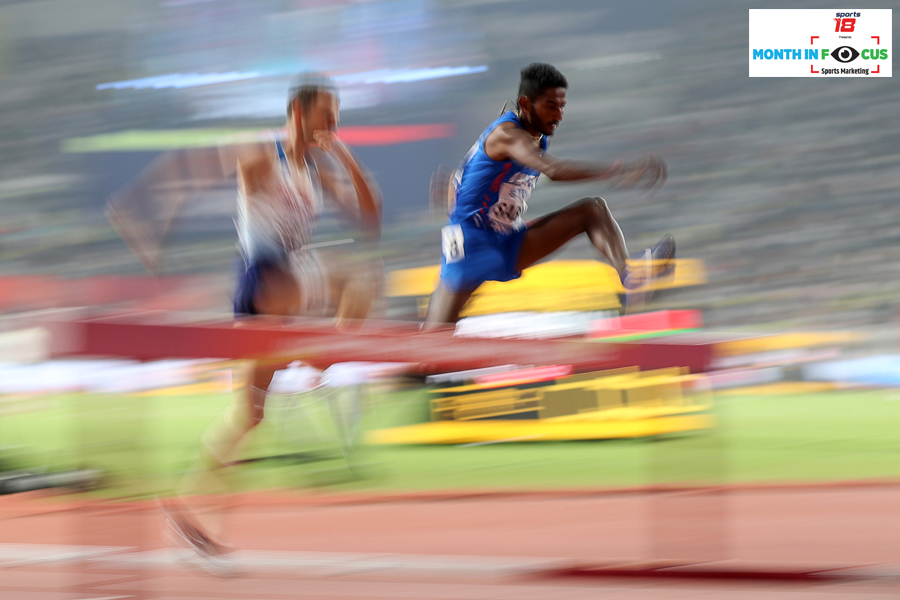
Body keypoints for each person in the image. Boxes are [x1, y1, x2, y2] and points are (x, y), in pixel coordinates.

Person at [106, 73, 382, 569]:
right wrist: (146, 218)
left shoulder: (316, 170)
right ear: (299, 112)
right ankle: (319, 363)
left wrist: (340, 153)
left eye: (338, 117)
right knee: (357, 280)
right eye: (327, 115)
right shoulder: (261, 152)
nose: (334, 125)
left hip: (272, 300)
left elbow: (370, 214)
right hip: (266, 282)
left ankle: (194, 515)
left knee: (248, 416)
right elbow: (187, 168)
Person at [425, 63, 674, 327]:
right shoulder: (507, 134)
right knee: (433, 347)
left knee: (592, 211)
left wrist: (455, 187)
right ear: (525, 103)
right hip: (470, 244)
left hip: (507, 240)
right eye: (550, 106)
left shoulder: (539, 138)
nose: (558, 115)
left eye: (561, 107)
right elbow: (553, 170)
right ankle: (413, 362)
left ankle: (632, 280)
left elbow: (468, 175)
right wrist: (621, 169)